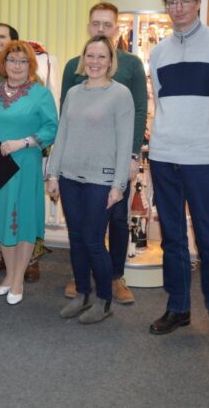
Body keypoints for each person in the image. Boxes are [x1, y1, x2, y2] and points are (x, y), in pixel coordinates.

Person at [148, 0, 209, 354]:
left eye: (185, 0)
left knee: (208, 239)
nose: (178, 8)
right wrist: (170, 137)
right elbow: (161, 103)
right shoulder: (158, 52)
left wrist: (202, 137)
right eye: (171, 2)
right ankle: (178, 307)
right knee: (171, 238)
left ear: (198, 2)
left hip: (201, 159)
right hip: (163, 157)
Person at [60, 2, 147, 304]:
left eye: (107, 24)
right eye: (96, 23)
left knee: (118, 220)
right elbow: (65, 114)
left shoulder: (132, 65)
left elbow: (139, 110)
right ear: (88, 27)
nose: (101, 29)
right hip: (78, 163)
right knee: (80, 226)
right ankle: (81, 276)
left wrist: (133, 156)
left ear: (117, 29)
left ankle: (115, 276)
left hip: (114, 163)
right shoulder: (74, 66)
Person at [47, 35, 134, 324]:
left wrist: (118, 185)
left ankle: (104, 300)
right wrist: (53, 174)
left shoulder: (120, 94)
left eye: (101, 56)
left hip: (102, 179)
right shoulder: (74, 92)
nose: (95, 62)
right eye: (90, 56)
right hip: (70, 176)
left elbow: (125, 143)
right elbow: (62, 135)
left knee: (94, 240)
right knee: (76, 238)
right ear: (83, 59)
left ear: (110, 61)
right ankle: (83, 294)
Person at [0, 40, 58, 305]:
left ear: (30, 65)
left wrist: (23, 142)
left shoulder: (40, 94)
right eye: (12, 60)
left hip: (24, 164)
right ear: (3, 64)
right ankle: (9, 277)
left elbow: (52, 128)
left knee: (23, 222)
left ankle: (18, 280)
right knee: (2, 222)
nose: (17, 66)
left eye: (23, 61)